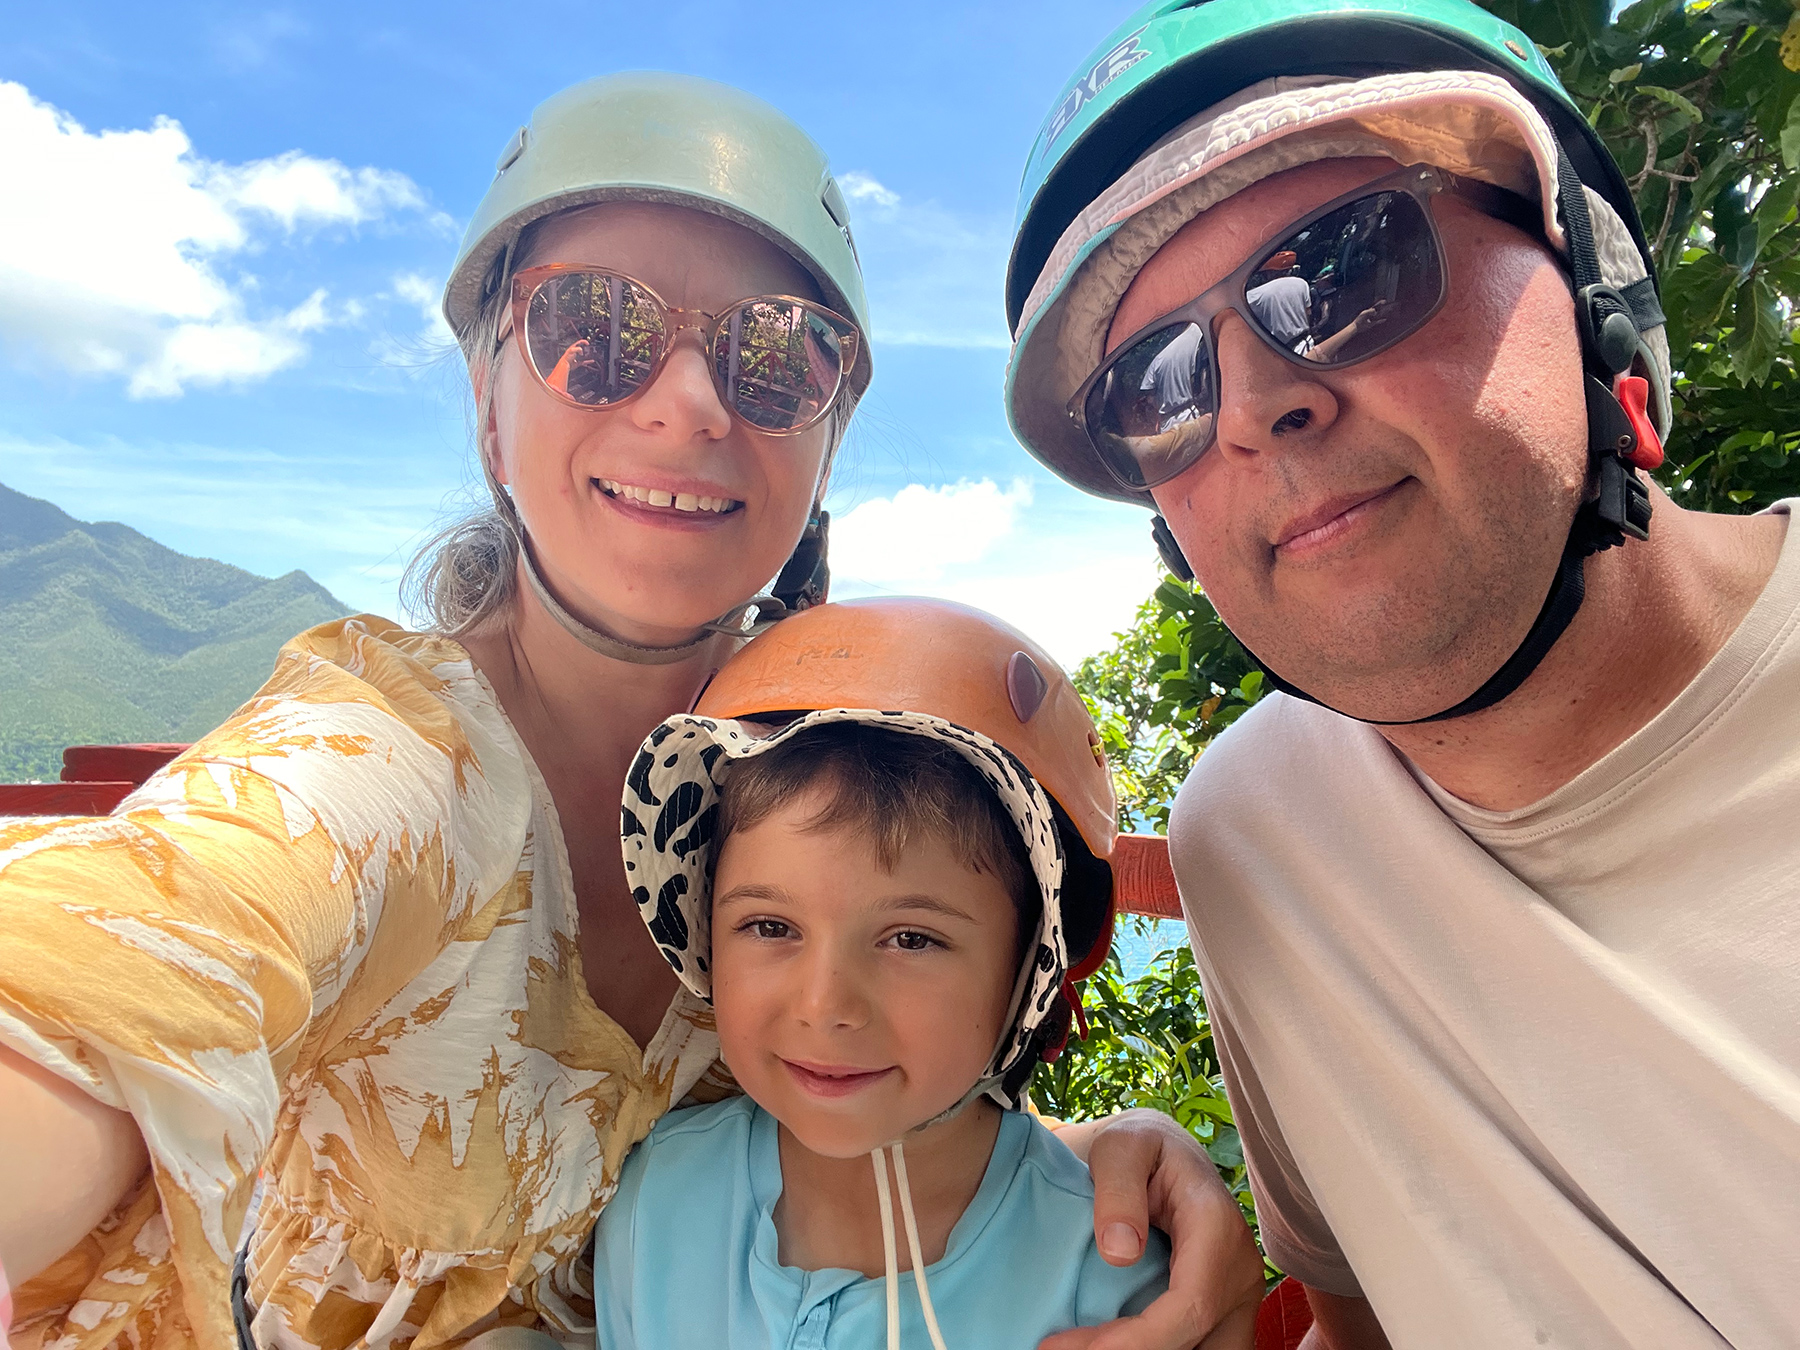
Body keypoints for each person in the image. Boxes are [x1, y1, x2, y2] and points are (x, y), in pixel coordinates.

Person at [0, 73, 1256, 1350]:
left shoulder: (826, 754)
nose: (689, 402)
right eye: (592, 327)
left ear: (827, 439)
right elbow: (132, 949)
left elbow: (895, 1066)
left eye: (778, 355)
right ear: (488, 406)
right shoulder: (382, 760)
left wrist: (1072, 1171)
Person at [1004, 2, 1797, 1348]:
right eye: (1159, 384)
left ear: (1589, 285)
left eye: (1344, 268)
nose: (1252, 406)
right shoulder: (1253, 829)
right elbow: (1361, 1319)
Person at [596, 597, 1225, 1349]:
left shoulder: (1109, 1282)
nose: (825, 1005)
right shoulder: (655, 1197)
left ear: (1029, 970)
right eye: (770, 926)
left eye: (911, 939)